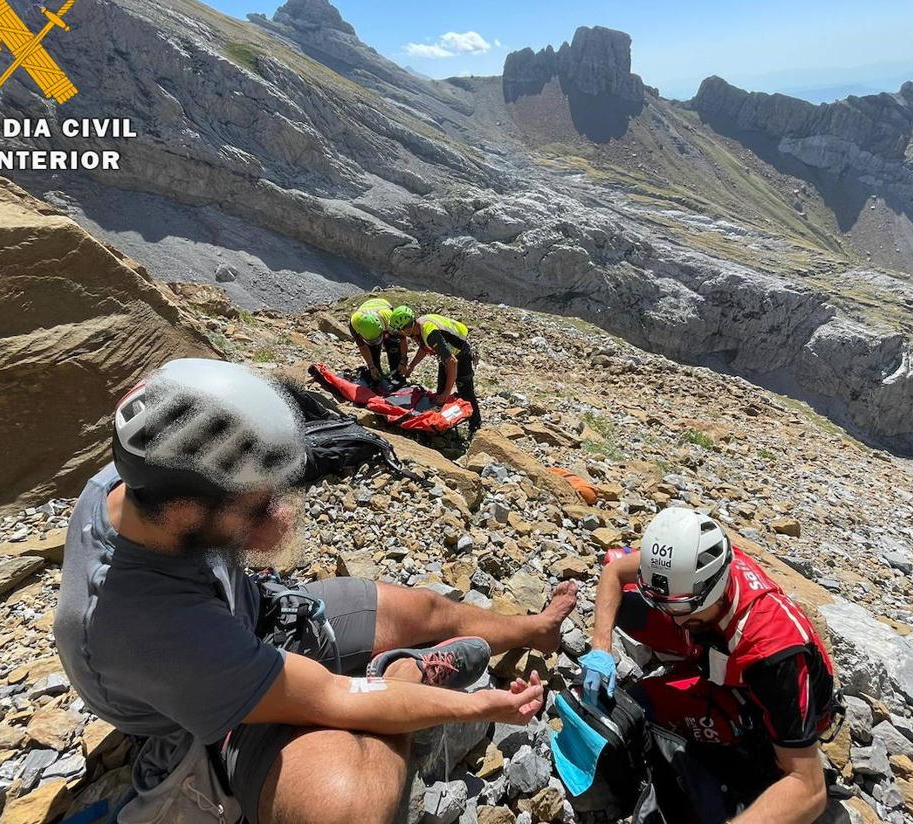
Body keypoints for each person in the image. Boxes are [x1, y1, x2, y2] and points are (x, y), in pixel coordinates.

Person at [54, 358, 577, 824]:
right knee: (348, 808)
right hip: (201, 713)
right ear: (189, 511)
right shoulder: (153, 628)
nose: (278, 516)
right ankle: (401, 669)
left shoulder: (146, 479)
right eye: (258, 507)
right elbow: (336, 698)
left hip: (246, 617)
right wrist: (478, 707)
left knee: (424, 607)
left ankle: (534, 630)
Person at [577, 507, 837, 824]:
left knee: (643, 708)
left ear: (711, 589)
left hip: (753, 696)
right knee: (628, 603)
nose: (669, 615)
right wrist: (601, 648)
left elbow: (809, 788)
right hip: (716, 646)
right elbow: (614, 571)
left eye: (678, 607)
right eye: (659, 602)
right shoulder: (696, 562)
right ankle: (691, 666)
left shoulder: (772, 654)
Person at [394, 308, 482, 432]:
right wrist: (411, 367)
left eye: (401, 330)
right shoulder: (418, 328)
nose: (401, 333)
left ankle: (475, 425)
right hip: (447, 354)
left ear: (407, 327)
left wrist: (447, 392)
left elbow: (452, 361)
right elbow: (424, 348)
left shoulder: (430, 334)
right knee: (440, 393)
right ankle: (440, 425)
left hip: (460, 354)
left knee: (465, 392)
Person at [349, 297, 407, 384]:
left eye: (376, 339)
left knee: (393, 346)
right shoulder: (354, 324)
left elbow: (403, 338)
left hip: (384, 309)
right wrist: (371, 366)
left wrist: (403, 361)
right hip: (366, 313)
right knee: (373, 355)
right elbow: (363, 347)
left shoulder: (390, 322)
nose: (375, 343)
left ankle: (396, 374)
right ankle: (378, 376)